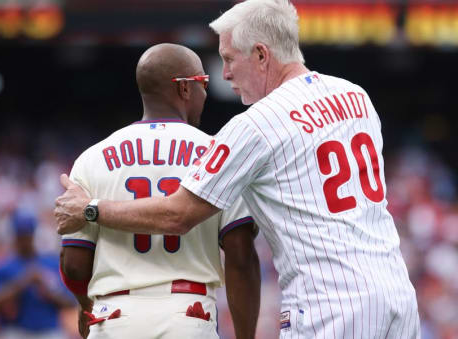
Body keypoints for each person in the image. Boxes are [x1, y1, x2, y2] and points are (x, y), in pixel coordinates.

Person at [55, 1, 420, 338]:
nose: (225, 74)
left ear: (261, 54)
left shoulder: (256, 125)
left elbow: (178, 214)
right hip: (396, 293)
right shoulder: (355, 96)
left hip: (328, 302)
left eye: (229, 59)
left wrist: (92, 209)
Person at [58, 43, 260, 339]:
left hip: (112, 317)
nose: (205, 93)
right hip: (188, 314)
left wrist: (86, 304)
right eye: (202, 83)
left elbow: (74, 265)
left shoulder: (92, 158)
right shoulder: (218, 154)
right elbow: (241, 257)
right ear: (185, 90)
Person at [0, 209, 75, 339]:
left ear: (33, 234)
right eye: (21, 235)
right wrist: (23, 282)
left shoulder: (51, 264)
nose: (25, 240)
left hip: (49, 330)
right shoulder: (2, 267)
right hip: (15, 330)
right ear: (15, 236)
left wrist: (48, 290)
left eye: (27, 234)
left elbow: (71, 302)